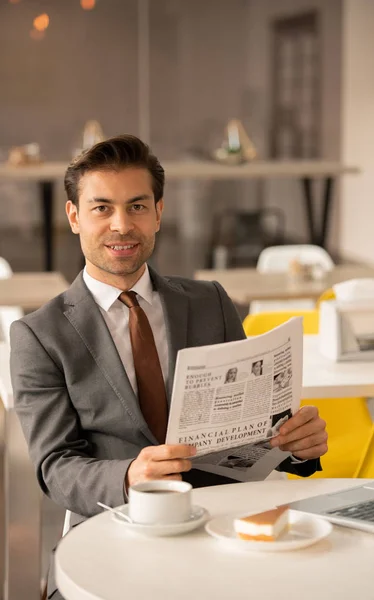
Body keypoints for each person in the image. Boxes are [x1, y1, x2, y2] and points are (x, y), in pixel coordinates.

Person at [10, 135, 328, 600]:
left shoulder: (210, 301)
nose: (122, 225)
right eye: (102, 208)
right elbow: (55, 467)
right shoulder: (39, 335)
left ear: (159, 212)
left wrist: (296, 446)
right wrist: (127, 476)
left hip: (223, 531)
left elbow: (250, 428)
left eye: (137, 206)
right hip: (114, 535)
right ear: (74, 217)